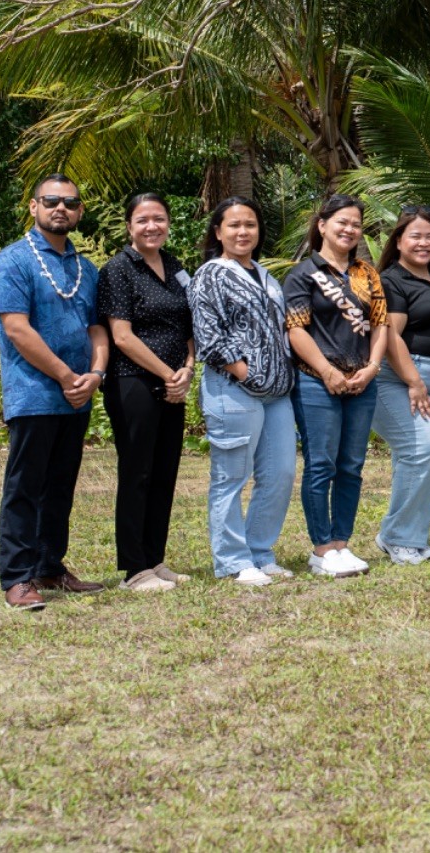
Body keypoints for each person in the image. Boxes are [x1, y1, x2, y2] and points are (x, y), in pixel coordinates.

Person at [0, 175, 111, 611]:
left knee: (60, 486)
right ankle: (18, 578)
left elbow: (98, 328)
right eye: (51, 200)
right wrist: (64, 376)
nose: (61, 208)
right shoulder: (13, 262)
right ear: (33, 206)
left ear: (79, 212)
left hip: (78, 395)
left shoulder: (86, 268)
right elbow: (17, 328)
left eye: (70, 202)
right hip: (34, 393)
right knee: (25, 487)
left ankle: (49, 567)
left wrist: (94, 374)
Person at [190, 196, 297, 587]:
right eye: (233, 225)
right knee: (231, 476)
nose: (242, 232)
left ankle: (260, 552)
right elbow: (208, 333)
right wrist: (244, 371)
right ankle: (233, 561)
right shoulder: (211, 274)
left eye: (249, 224)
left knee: (281, 473)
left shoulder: (266, 275)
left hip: (277, 393)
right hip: (234, 388)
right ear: (218, 231)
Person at [283, 194, 390, 579]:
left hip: (362, 381)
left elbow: (381, 324)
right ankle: (321, 547)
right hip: (316, 382)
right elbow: (296, 329)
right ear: (322, 225)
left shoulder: (367, 273)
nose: (349, 229)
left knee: (352, 466)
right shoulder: (302, 274)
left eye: (356, 224)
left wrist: (374, 366)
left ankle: (342, 544)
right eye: (341, 222)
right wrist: (327, 372)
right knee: (321, 464)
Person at [95, 192, 195, 593]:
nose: (152, 226)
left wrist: (187, 369)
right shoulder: (118, 270)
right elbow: (121, 336)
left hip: (175, 381)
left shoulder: (175, 267)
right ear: (129, 226)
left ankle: (156, 559)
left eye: (159, 218)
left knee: (165, 472)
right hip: (132, 381)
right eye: (143, 220)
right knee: (137, 473)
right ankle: (134, 568)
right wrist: (169, 374)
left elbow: (189, 327)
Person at [370, 207, 430, 566]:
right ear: (399, 241)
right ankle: (398, 538)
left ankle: (408, 537)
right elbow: (390, 336)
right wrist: (414, 381)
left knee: (423, 457)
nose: (424, 243)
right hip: (401, 380)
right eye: (415, 236)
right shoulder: (392, 280)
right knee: (425, 448)